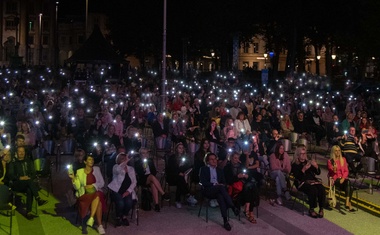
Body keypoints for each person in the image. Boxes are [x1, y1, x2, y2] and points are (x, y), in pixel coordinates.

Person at [199, 152, 240, 231]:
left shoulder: (219, 170)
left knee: (220, 195)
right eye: (212, 159)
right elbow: (203, 182)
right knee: (220, 188)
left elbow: (224, 182)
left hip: (218, 190)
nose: (214, 161)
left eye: (215, 159)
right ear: (207, 161)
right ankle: (233, 206)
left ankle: (225, 221)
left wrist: (221, 185)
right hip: (208, 190)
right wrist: (214, 184)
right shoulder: (203, 169)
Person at [8, 146, 48, 220]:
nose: (21, 153)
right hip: (17, 184)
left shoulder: (29, 161)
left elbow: (33, 173)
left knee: (29, 190)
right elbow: (11, 175)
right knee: (29, 182)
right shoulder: (13, 163)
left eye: (23, 151)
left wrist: (29, 177)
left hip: (28, 183)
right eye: (20, 151)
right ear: (16, 153)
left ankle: (28, 212)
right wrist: (20, 178)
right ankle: (38, 198)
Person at [69, 155, 106, 234]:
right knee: (98, 198)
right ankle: (96, 223)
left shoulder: (96, 169)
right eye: (89, 159)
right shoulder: (79, 171)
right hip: (84, 194)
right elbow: (77, 187)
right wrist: (73, 179)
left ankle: (94, 220)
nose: (92, 161)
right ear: (85, 161)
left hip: (95, 193)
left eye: (92, 159)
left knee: (97, 195)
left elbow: (102, 183)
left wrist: (93, 186)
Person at [291, 145, 325, 218]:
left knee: (321, 188)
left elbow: (318, 173)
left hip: (312, 181)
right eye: (302, 154)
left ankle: (321, 208)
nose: (304, 155)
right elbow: (297, 177)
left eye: (305, 153)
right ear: (298, 155)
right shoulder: (295, 165)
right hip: (302, 182)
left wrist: (316, 167)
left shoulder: (308, 162)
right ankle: (311, 209)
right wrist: (303, 170)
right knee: (313, 189)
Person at [224, 152, 258, 224]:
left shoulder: (241, 166)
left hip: (244, 188)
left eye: (237, 158)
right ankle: (249, 211)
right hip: (235, 189)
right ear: (231, 158)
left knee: (250, 186)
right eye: (235, 158)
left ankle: (248, 209)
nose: (236, 160)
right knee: (250, 187)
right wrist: (237, 177)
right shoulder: (227, 167)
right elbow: (228, 181)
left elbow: (249, 177)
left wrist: (246, 176)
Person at [134, 147, 170, 212]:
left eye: (146, 153)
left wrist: (150, 171)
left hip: (151, 178)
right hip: (142, 179)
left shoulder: (150, 160)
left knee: (153, 183)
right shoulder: (138, 162)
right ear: (140, 154)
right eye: (143, 153)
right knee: (151, 177)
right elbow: (139, 174)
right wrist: (144, 169)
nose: (145, 154)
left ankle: (156, 204)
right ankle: (163, 193)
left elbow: (154, 171)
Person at [108, 152, 136, 227]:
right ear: (118, 160)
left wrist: (128, 191)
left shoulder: (131, 169)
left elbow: (134, 182)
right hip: (116, 190)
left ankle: (124, 216)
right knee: (121, 203)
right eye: (122, 159)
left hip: (127, 190)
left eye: (125, 159)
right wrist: (125, 162)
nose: (124, 160)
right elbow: (118, 170)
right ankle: (118, 217)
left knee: (129, 203)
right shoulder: (115, 167)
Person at [166, 143, 197, 208]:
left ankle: (178, 200)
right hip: (173, 176)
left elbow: (188, 167)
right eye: (179, 148)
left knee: (181, 180)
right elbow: (170, 169)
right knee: (181, 179)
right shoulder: (172, 158)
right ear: (176, 149)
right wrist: (178, 171)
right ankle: (188, 195)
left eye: (182, 148)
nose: (181, 149)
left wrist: (185, 167)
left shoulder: (185, 157)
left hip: (182, 177)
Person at [327, 145, 355, 212]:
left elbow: (346, 171)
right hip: (335, 180)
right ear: (333, 152)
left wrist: (343, 178)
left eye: (339, 150)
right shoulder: (330, 161)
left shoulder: (343, 160)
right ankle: (348, 203)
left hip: (343, 180)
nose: (338, 152)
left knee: (349, 185)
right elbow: (331, 171)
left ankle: (347, 202)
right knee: (349, 185)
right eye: (336, 151)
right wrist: (334, 169)